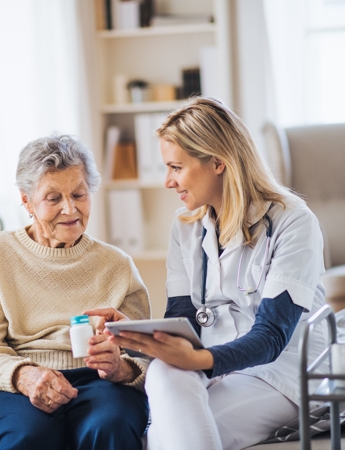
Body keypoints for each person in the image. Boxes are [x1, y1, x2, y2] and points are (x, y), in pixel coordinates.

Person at [86, 98, 327, 450]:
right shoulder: (185, 226)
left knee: (165, 436)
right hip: (215, 368)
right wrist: (140, 335)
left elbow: (272, 337)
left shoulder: (293, 222)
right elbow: (183, 321)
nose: (168, 181)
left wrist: (198, 360)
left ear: (217, 162)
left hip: (280, 373)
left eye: (176, 167)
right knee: (165, 371)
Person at [0, 134, 150, 450]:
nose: (70, 209)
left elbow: (144, 356)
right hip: (19, 378)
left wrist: (121, 367)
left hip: (99, 381)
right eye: (53, 198)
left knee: (109, 429)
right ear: (26, 200)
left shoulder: (117, 265)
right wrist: (25, 376)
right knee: (29, 436)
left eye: (79, 194)